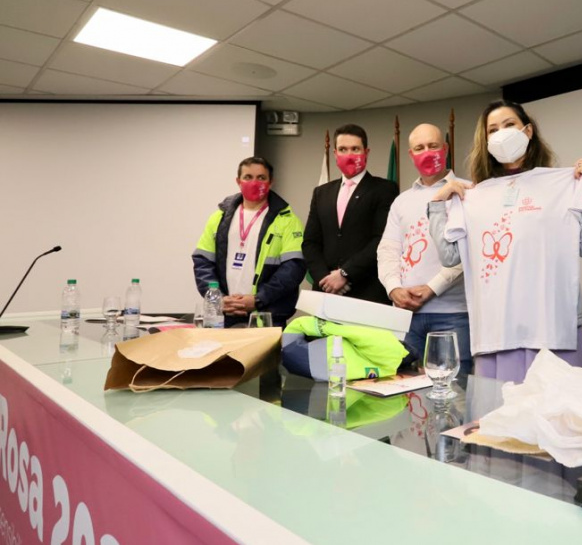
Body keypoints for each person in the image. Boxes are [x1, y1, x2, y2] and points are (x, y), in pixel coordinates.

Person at [428, 100, 582, 382]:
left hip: (554, 326)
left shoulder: (561, 185)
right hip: (499, 331)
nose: (501, 133)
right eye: (493, 130)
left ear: (528, 131)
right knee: (499, 408)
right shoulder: (476, 196)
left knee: (558, 406)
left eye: (509, 124)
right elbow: (450, 257)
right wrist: (438, 205)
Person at [377, 123, 472, 376]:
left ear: (446, 149)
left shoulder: (468, 191)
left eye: (433, 146)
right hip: (405, 317)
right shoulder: (401, 201)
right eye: (419, 148)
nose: (427, 152)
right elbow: (387, 250)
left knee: (456, 390)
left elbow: (470, 253)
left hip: (454, 314)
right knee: (404, 390)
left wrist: (432, 288)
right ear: (411, 155)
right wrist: (393, 288)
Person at [192, 157, 306, 328]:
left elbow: (293, 269)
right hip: (223, 314)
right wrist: (217, 299)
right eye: (248, 177)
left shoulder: (287, 220)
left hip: (267, 317)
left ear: (271, 182)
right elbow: (203, 262)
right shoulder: (218, 217)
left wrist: (258, 300)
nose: (254, 183)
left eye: (261, 178)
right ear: (238, 181)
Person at [302, 124, 399, 304]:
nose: (349, 154)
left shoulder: (385, 189)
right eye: (343, 149)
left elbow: (381, 239)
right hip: (325, 293)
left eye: (355, 149)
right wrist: (325, 280)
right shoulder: (321, 192)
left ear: (366, 152)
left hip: (367, 292)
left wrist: (345, 274)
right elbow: (310, 242)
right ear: (335, 153)